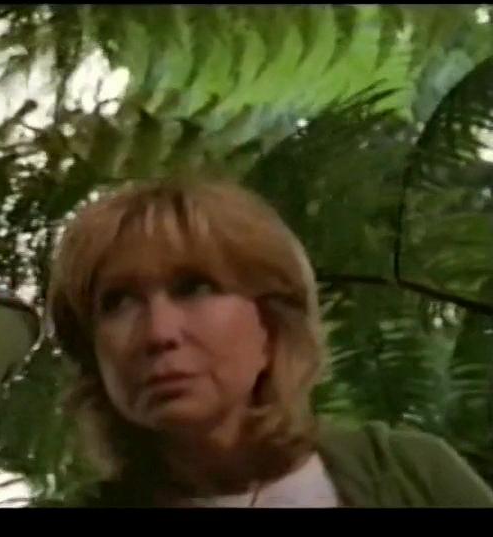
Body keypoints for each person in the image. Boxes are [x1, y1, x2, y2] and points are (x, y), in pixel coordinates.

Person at [46, 176, 493, 507]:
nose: (158, 333)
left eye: (194, 288)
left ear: (272, 321)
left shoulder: (408, 474)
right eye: (118, 302)